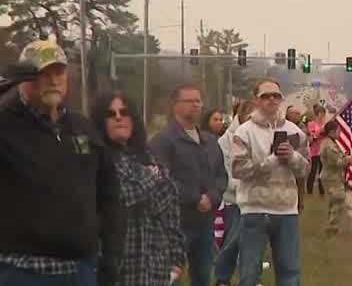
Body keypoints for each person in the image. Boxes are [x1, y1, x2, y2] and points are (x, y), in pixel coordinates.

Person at [0, 40, 123, 285]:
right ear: (25, 79)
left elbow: (109, 195)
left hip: (81, 270)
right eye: (43, 74)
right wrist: (4, 82)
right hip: (24, 272)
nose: (53, 81)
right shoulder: (6, 125)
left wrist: (111, 256)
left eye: (59, 72)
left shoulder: (82, 127)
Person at [91, 92, 187, 286]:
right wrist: (152, 178)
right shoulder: (96, 159)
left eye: (124, 112)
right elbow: (121, 196)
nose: (119, 117)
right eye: (111, 114)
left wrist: (177, 257)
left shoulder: (148, 156)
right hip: (118, 266)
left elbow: (170, 205)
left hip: (155, 266)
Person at [231, 79, 310, 286]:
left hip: (286, 211)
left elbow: (305, 169)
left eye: (276, 95)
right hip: (254, 211)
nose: (272, 99)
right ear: (256, 100)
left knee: (290, 273)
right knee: (249, 273)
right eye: (266, 96)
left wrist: (292, 157)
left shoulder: (296, 131)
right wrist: (272, 161)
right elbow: (238, 169)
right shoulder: (244, 132)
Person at [149, 84, 228, 286]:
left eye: (198, 101)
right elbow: (161, 179)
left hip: (205, 222)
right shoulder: (163, 141)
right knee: (169, 278)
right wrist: (195, 199)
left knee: (203, 276)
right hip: (175, 225)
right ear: (175, 105)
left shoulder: (210, 141)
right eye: (189, 101)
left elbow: (221, 176)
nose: (195, 105)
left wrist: (212, 197)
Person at [214, 99, 255, 286]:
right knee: (232, 243)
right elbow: (225, 175)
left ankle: (249, 280)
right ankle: (222, 279)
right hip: (234, 201)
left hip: (256, 202)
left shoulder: (260, 136)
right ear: (242, 116)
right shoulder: (225, 141)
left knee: (252, 245)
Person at [319, 120, 352, 237]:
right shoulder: (329, 145)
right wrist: (347, 160)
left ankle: (331, 226)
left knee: (334, 202)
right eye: (338, 131)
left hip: (334, 176)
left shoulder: (331, 142)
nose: (340, 133)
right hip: (331, 177)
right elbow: (336, 162)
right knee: (338, 200)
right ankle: (332, 227)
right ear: (332, 131)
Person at [306, 104, 327, 195]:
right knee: (313, 170)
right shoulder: (311, 124)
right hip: (314, 150)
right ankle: (309, 189)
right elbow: (312, 136)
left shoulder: (325, 124)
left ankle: (321, 189)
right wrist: (319, 132)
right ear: (318, 114)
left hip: (323, 150)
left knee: (322, 171)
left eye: (324, 114)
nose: (323, 116)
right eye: (322, 113)